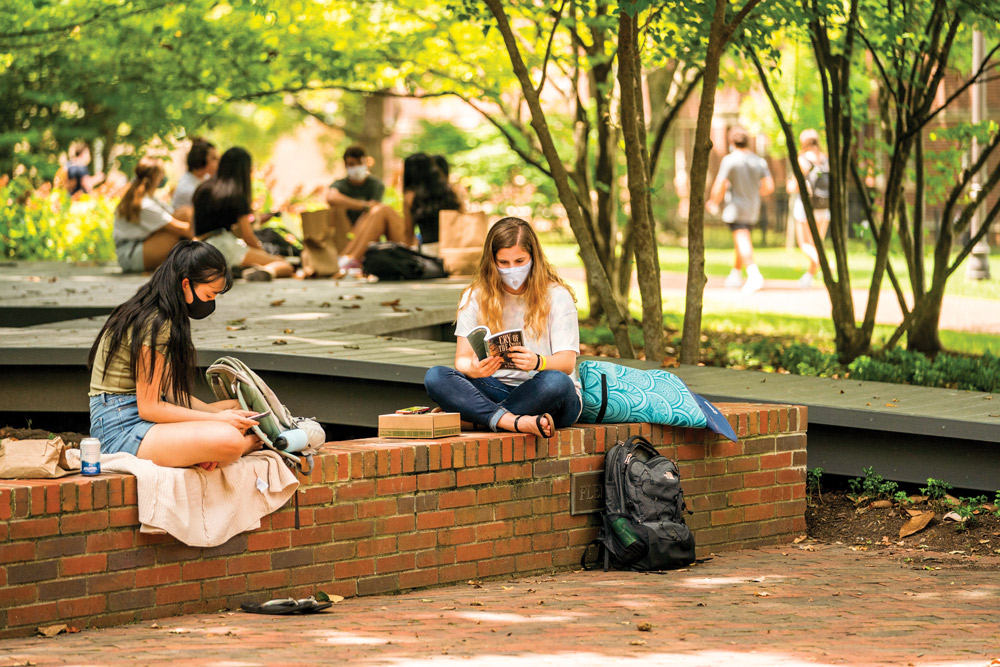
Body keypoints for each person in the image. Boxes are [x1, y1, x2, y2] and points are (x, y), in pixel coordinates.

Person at [87, 240, 262, 470]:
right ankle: (242, 447)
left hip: (142, 419)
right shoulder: (156, 322)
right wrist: (219, 419)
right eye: (209, 295)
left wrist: (226, 413)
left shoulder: (162, 313)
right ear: (186, 284)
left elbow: (170, 394)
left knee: (235, 408)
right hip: (121, 427)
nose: (211, 304)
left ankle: (204, 452)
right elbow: (150, 408)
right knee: (228, 437)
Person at [424, 217, 581, 438]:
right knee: (436, 376)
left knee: (556, 381)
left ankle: (478, 421)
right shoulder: (474, 296)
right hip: (495, 387)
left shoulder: (557, 296)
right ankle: (513, 422)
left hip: (545, 393)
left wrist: (538, 361)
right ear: (491, 261)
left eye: (519, 261)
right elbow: (461, 359)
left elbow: (566, 363)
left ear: (533, 258)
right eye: (503, 263)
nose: (512, 269)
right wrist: (473, 368)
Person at [338, 153, 461, 269]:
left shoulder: (411, 196)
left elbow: (408, 235)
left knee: (381, 210)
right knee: (376, 210)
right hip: (451, 250)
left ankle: (351, 258)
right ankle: (348, 257)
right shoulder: (451, 192)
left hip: (427, 252)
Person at [192, 147, 294, 281]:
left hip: (200, 248)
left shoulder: (203, 188)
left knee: (248, 258)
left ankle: (236, 269)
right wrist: (266, 255)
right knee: (284, 265)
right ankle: (266, 271)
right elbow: (247, 236)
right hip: (225, 246)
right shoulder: (237, 194)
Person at [706, 127, 774, 294]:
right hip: (753, 208)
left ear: (731, 142)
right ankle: (736, 273)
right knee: (742, 237)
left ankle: (753, 273)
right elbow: (769, 186)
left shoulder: (730, 160)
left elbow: (720, 184)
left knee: (742, 238)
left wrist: (713, 202)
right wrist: (755, 193)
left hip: (736, 208)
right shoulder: (759, 161)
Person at [113, 157, 194, 273]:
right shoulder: (143, 203)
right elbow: (182, 228)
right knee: (181, 228)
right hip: (131, 255)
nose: (164, 177)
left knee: (185, 212)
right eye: (162, 173)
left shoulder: (149, 198)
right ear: (155, 177)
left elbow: (179, 214)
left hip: (141, 246)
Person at [787, 129, 831, 288]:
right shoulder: (825, 160)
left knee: (805, 243)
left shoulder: (803, 160)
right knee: (816, 243)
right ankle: (808, 277)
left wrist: (790, 185)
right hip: (824, 207)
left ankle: (827, 264)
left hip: (807, 207)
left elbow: (794, 185)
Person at [325, 144, 386, 230]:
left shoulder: (376, 184)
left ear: (366, 163)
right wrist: (364, 206)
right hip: (344, 233)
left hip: (368, 231)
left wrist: (345, 202)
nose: (356, 167)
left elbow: (374, 209)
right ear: (345, 165)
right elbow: (331, 197)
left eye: (360, 163)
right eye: (352, 164)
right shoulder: (340, 184)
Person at [172, 138, 219, 222]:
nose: (218, 163)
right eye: (214, 158)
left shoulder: (204, 178)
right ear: (201, 160)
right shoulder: (188, 189)